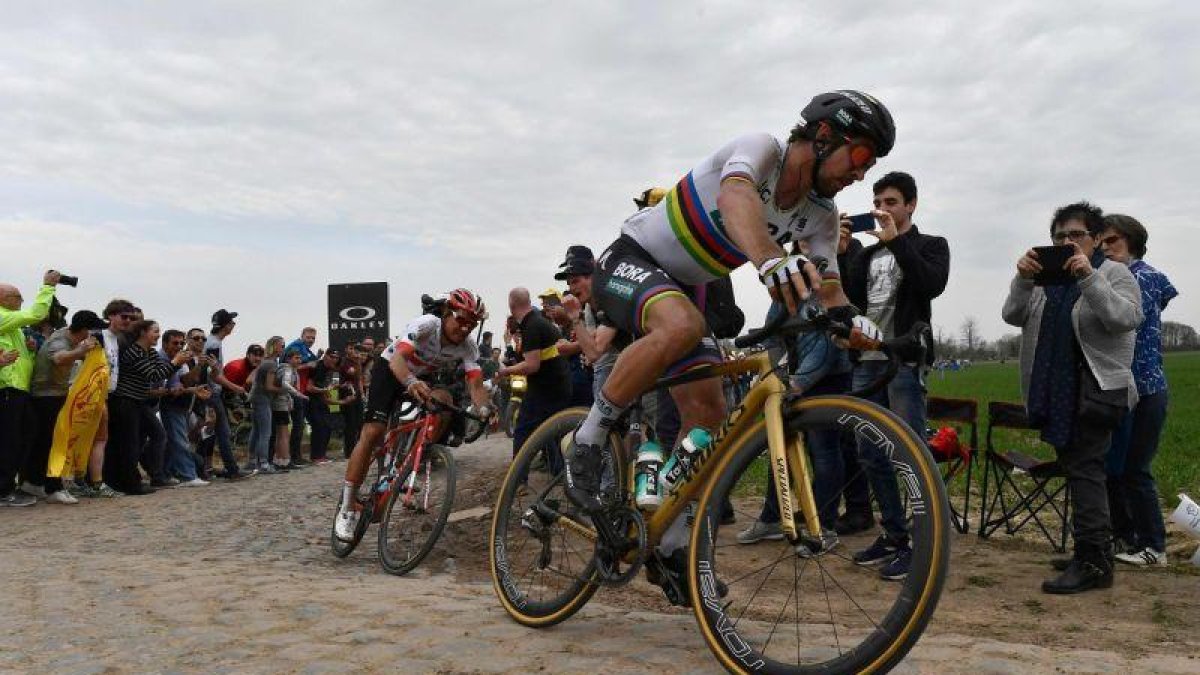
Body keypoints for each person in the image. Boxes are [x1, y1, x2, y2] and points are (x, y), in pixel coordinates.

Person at [565, 90, 893, 508]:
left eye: (871, 166)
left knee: (709, 417)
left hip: (686, 287)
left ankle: (669, 529)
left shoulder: (822, 215)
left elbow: (830, 288)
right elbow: (734, 197)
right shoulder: (762, 150)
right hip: (634, 256)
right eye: (861, 156)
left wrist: (852, 323)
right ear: (825, 134)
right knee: (682, 324)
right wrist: (772, 260)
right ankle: (589, 437)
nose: (861, 174)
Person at [1002, 201, 1142, 594]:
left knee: (1086, 472)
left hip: (1093, 392)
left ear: (1097, 239)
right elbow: (1012, 315)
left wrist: (1088, 277)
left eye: (1076, 234)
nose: (1067, 241)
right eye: (1060, 236)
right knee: (1080, 471)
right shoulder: (1047, 279)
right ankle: (1090, 550)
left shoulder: (1115, 273)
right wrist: (1023, 279)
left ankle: (1095, 563)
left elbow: (1124, 319)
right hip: (1055, 391)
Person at [842, 171, 949, 580]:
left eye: (891, 202)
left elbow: (930, 285)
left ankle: (924, 544)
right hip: (866, 362)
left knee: (909, 451)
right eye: (878, 203)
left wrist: (897, 242)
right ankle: (894, 535)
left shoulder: (930, 246)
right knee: (869, 453)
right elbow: (850, 300)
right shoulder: (866, 256)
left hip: (903, 360)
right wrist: (843, 251)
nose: (882, 210)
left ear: (910, 205)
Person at [334, 289, 492, 541]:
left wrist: (484, 409)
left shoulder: (468, 347)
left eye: (471, 325)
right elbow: (398, 359)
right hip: (391, 369)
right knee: (373, 432)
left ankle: (407, 462)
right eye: (461, 320)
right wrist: (409, 381)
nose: (465, 329)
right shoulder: (427, 325)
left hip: (422, 375)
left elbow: (475, 386)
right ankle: (347, 507)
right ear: (446, 313)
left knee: (445, 401)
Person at [1099, 213, 1178, 567]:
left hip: (1144, 389)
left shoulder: (1141, 278)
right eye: (1101, 241)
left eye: (1112, 240)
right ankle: (1127, 538)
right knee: (1115, 469)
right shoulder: (1120, 277)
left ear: (1131, 241)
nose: (1105, 247)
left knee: (1135, 469)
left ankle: (1154, 546)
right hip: (1123, 390)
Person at [24, 309, 105, 503]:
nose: (95, 335)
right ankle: (53, 488)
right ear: (85, 330)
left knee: (45, 442)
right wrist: (81, 351)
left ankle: (34, 483)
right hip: (46, 397)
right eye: (93, 330)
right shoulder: (60, 341)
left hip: (54, 395)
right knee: (56, 442)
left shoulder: (68, 336)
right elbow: (59, 358)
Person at [108, 320, 192, 495]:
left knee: (158, 434)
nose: (158, 334)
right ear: (142, 332)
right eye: (155, 331)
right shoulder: (134, 352)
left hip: (140, 401)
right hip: (126, 401)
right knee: (130, 443)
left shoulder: (151, 352)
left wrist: (176, 363)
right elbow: (154, 374)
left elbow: (162, 371)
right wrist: (176, 362)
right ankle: (131, 483)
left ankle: (154, 474)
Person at [0, 270, 61, 506]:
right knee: (10, 440)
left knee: (27, 434)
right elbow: (38, 313)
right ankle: (4, 490)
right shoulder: (2, 316)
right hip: (7, 390)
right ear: (3, 299)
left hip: (18, 390)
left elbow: (19, 360)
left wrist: (31, 349)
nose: (21, 301)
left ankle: (15, 483)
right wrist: (48, 286)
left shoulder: (13, 326)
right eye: (18, 297)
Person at [498, 287, 572, 477]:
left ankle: (517, 478)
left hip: (546, 389)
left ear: (511, 306)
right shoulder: (539, 322)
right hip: (559, 384)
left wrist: (506, 370)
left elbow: (532, 366)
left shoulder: (531, 326)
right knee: (550, 431)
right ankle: (560, 473)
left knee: (523, 430)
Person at [157, 329, 210, 486]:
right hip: (172, 404)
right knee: (179, 441)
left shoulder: (183, 357)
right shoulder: (178, 358)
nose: (200, 341)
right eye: (196, 338)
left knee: (173, 441)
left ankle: (165, 474)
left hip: (187, 405)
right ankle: (188, 475)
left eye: (203, 338)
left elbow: (182, 385)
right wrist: (198, 367)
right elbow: (185, 381)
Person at [203, 309, 252, 479]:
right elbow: (213, 374)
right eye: (231, 323)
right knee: (223, 432)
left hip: (210, 392)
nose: (233, 326)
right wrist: (234, 387)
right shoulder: (214, 344)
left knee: (211, 432)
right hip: (211, 393)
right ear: (226, 326)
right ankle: (232, 470)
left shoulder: (213, 342)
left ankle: (207, 467)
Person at [286, 327, 320, 467]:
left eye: (313, 338)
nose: (311, 340)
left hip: (302, 390)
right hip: (294, 390)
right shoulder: (295, 346)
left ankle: (297, 455)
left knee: (301, 424)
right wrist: (308, 365)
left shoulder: (305, 349)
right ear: (302, 336)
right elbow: (289, 366)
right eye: (308, 337)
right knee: (297, 424)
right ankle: (294, 456)